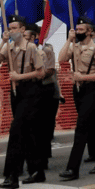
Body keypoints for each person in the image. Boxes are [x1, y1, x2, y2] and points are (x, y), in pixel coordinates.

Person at [58, 17, 95, 180]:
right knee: (94, 127)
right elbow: (62, 59)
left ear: (90, 32)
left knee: (81, 127)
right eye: (77, 30)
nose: (78, 32)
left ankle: (72, 168)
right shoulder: (74, 47)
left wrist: (82, 77)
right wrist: (69, 40)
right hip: (80, 89)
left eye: (81, 30)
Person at [0, 15, 44, 189]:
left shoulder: (31, 48)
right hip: (16, 92)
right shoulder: (9, 47)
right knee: (28, 132)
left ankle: (11, 175)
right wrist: (2, 42)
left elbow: (41, 73)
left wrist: (19, 76)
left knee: (16, 131)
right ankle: (37, 170)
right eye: (10, 28)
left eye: (14, 28)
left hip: (30, 90)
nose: (11, 31)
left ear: (23, 30)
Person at [28, 23, 61, 177]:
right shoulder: (28, 50)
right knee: (36, 127)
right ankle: (38, 158)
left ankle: (44, 158)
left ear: (36, 36)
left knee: (46, 126)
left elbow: (49, 70)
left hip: (48, 92)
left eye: (29, 36)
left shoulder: (46, 49)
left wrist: (33, 73)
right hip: (34, 91)